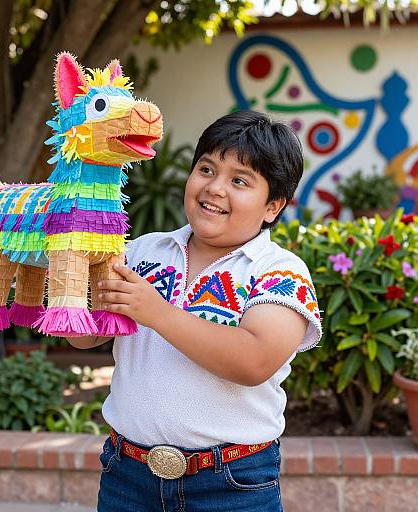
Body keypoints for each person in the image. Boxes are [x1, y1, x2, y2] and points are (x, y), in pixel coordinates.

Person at [68, 110, 322, 511]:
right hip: (127, 475)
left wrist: (158, 312)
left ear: (273, 206)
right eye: (207, 169)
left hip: (233, 484)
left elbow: (253, 361)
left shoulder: (279, 270)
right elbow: (84, 336)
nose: (215, 188)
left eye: (239, 181)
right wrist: (65, 267)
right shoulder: (140, 251)